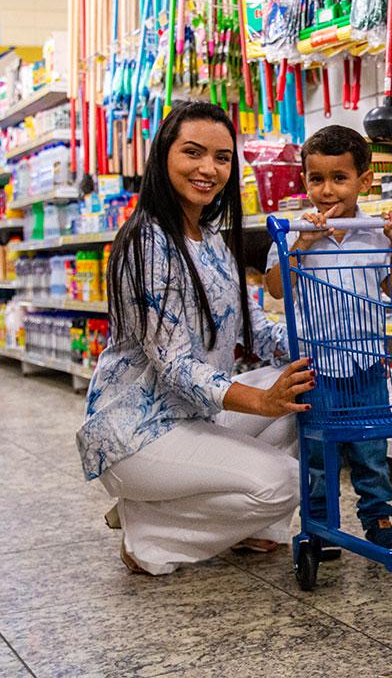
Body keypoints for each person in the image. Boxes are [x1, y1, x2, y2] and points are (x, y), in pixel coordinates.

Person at [77, 102, 315, 576]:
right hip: (138, 433)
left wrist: (328, 348)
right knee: (286, 482)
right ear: (164, 155)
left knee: (304, 389)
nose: (209, 169)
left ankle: (248, 528)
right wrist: (260, 401)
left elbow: (254, 328)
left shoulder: (209, 239)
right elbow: (175, 363)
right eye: (193, 152)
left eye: (222, 157)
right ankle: (150, 534)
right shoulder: (147, 241)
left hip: (193, 416)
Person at [264, 125, 392, 556]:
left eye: (339, 178)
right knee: (316, 453)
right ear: (304, 180)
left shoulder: (376, 230)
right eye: (316, 179)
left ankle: (378, 519)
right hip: (314, 367)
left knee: (371, 449)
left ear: (364, 181)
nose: (326, 191)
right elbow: (276, 287)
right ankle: (322, 524)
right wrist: (301, 245)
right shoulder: (290, 232)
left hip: (367, 362)